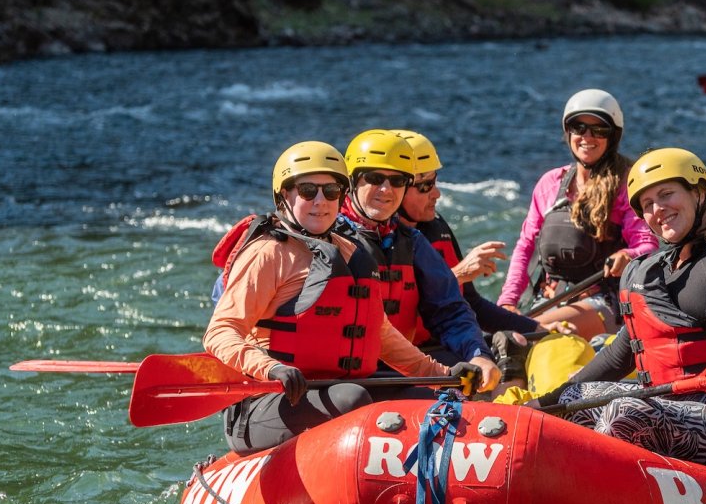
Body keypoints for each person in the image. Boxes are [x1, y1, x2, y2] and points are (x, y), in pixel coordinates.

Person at [534, 148, 706, 476]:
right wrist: (547, 404)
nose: (658, 209)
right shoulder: (646, 271)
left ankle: (600, 498)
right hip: (674, 405)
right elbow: (623, 353)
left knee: (625, 412)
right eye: (647, 205)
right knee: (577, 399)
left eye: (666, 195)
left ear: (699, 193)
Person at [204, 141, 479, 455]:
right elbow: (220, 332)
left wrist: (442, 376)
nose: (321, 201)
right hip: (268, 401)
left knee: (426, 401)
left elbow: (381, 334)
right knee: (351, 399)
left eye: (332, 191)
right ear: (284, 196)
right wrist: (270, 368)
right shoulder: (268, 253)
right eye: (308, 191)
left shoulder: (350, 252)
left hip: (337, 390)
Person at [333, 129, 502, 391]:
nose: (386, 190)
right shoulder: (325, 238)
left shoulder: (411, 242)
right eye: (374, 178)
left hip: (398, 370)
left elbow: (450, 310)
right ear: (352, 182)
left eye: (398, 181)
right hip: (337, 379)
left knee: (476, 380)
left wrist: (478, 353)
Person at [498, 89, 657, 340]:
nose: (587, 137)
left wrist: (628, 255)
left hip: (603, 303)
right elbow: (525, 246)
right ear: (568, 132)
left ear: (613, 136)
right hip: (549, 301)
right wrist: (507, 302)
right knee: (502, 335)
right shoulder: (550, 183)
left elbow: (648, 245)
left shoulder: (627, 183)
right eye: (578, 127)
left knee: (518, 336)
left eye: (599, 130)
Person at [390, 129, 541, 370]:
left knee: (519, 342)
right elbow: (393, 317)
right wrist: (458, 274)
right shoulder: (380, 242)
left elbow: (472, 305)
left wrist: (536, 329)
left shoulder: (436, 228)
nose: (436, 193)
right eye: (425, 186)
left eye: (435, 181)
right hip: (406, 359)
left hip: (443, 345)